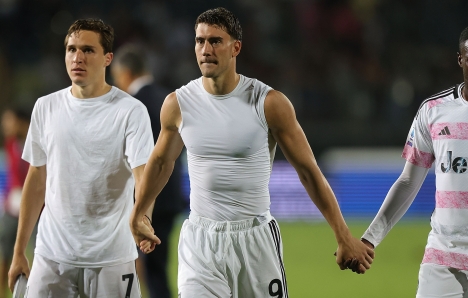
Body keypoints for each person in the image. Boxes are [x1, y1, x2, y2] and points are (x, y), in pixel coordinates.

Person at [129, 7, 374, 298]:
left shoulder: (269, 103)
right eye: (199, 41)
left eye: (215, 41)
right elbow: (160, 162)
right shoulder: (178, 104)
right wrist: (139, 212)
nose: (205, 49)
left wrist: (343, 236)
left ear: (236, 48)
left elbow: (309, 172)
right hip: (200, 241)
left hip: (255, 241)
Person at [361, 22, 468, 297]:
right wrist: (370, 238)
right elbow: (407, 182)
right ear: (460, 59)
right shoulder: (433, 111)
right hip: (442, 259)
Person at [7, 18, 154, 297]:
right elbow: (36, 180)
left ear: (108, 58)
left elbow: (143, 177)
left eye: (88, 50)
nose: (78, 57)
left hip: (111, 258)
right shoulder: (45, 107)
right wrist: (19, 251)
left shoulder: (130, 111)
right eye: (71, 49)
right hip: (51, 256)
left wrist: (143, 217)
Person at [112, 43, 186, 298]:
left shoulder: (129, 105)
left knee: (135, 268)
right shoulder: (169, 99)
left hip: (141, 200)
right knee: (155, 268)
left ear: (125, 73)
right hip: (170, 197)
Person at [0, 107, 30, 298]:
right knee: (4, 252)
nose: (5, 125)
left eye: (9, 121)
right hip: (12, 207)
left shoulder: (35, 142)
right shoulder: (10, 144)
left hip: (35, 209)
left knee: (39, 252)